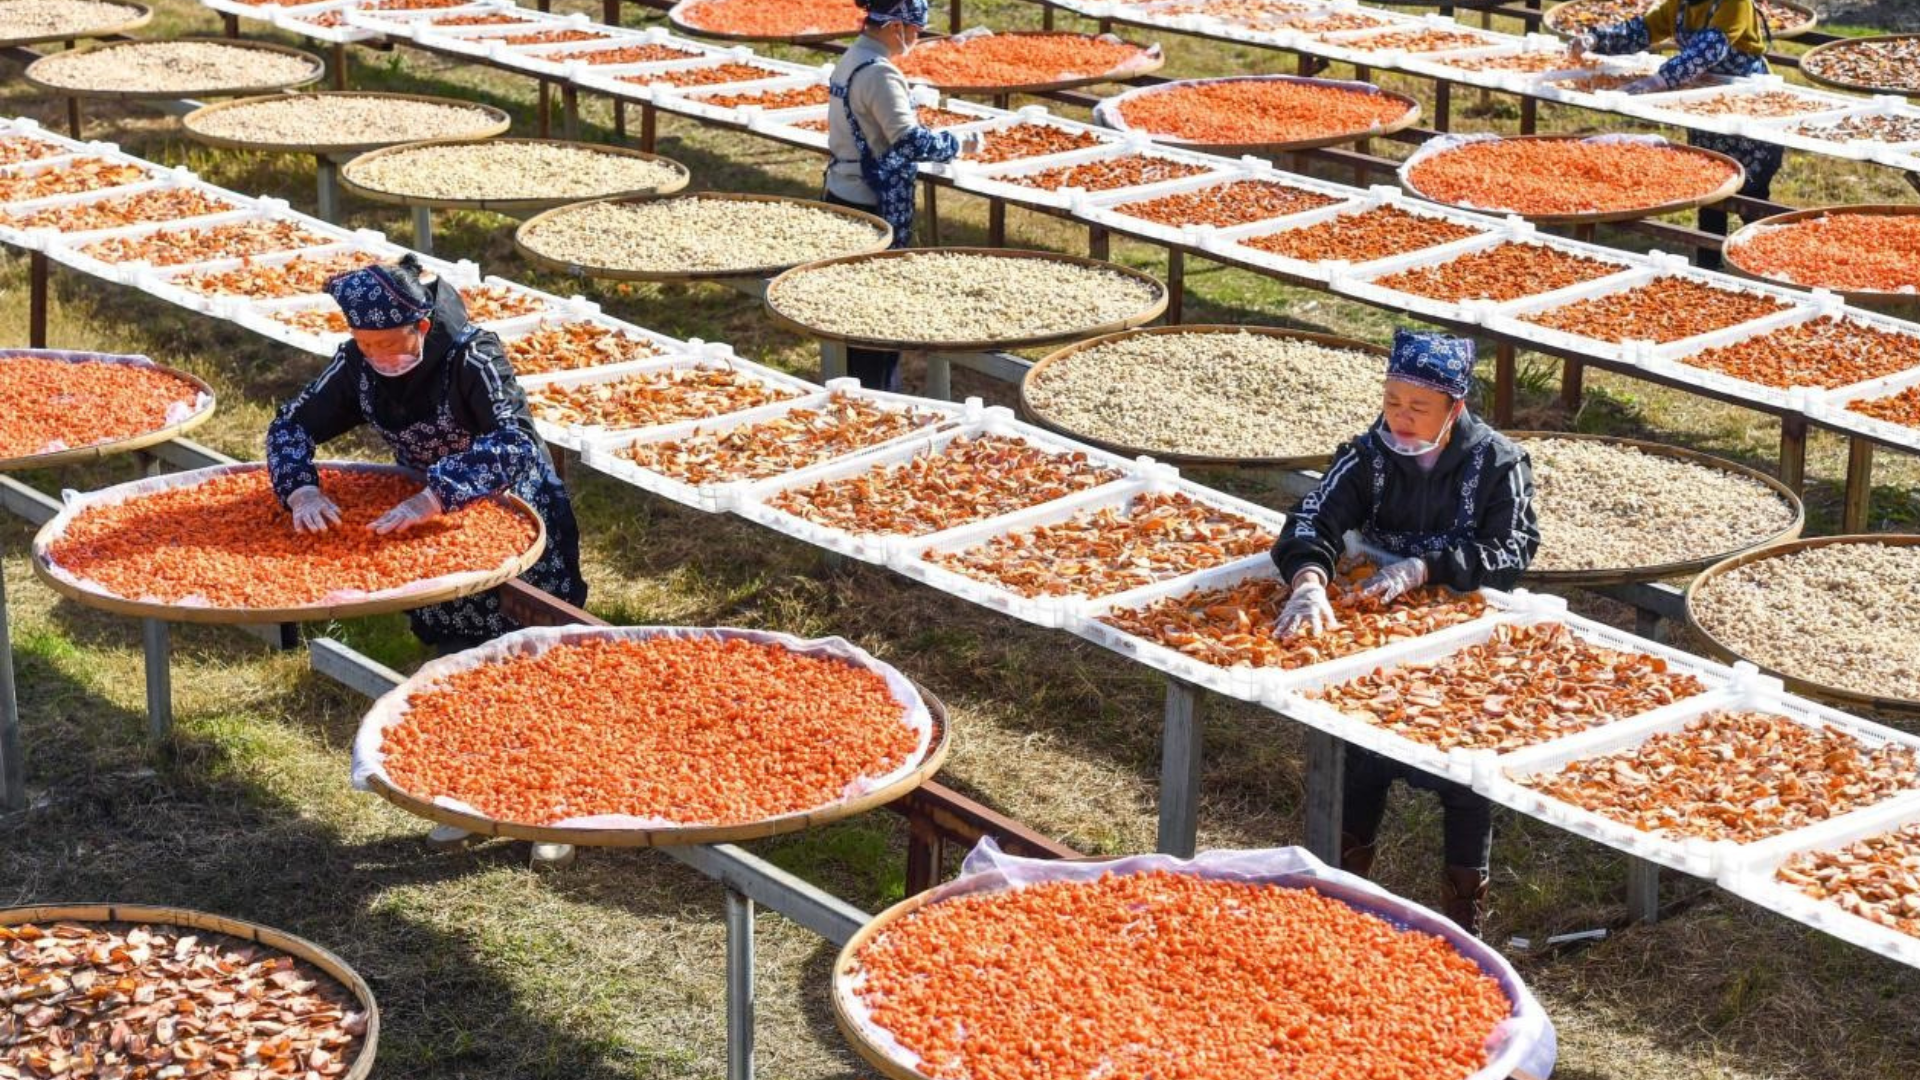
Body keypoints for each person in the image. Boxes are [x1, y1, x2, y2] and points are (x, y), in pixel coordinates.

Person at [1270, 330, 1539, 935]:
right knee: (1363, 757)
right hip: (1376, 632)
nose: (1401, 418)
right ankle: (1343, 904)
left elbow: (1512, 551)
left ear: (1455, 408)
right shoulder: (1369, 455)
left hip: (1464, 639)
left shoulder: (1500, 464)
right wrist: (1309, 578)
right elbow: (1312, 517)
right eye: (1392, 401)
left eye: (1419, 406)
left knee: (1464, 774)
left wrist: (1427, 568)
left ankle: (1463, 919)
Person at [266, 255, 587, 657]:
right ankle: (451, 650)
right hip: (420, 503)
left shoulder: (473, 356)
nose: (376, 355)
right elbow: (291, 424)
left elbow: (515, 441)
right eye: (365, 343)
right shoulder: (356, 365)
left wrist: (436, 495)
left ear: (421, 327)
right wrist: (301, 491)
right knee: (444, 607)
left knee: (526, 624)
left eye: (387, 344)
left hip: (508, 495)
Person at [823, 0, 986, 391]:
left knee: (850, 305)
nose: (916, 37)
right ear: (895, 26)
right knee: (876, 313)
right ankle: (876, 395)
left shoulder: (852, 57)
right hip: (869, 200)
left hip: (841, 188)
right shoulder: (879, 73)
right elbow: (909, 141)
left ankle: (850, 387)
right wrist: (958, 143)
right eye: (914, 29)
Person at [1568, 0, 1779, 269]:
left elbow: (1710, 49)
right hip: (1707, 107)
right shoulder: (1680, 5)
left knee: (1752, 196)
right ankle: (1708, 266)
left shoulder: (1734, 3)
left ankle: (1767, 266)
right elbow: (1643, 30)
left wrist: (1660, 80)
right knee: (1712, 187)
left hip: (1748, 106)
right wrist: (1596, 39)